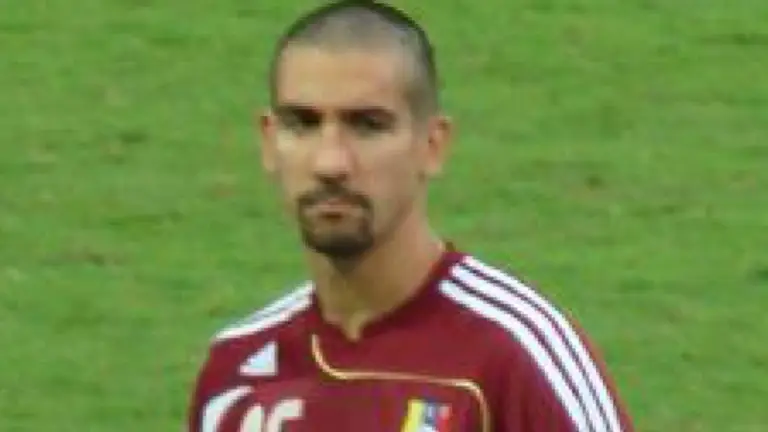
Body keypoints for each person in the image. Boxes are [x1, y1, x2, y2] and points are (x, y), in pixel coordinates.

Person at [187, 1, 634, 431]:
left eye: (367, 125)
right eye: (302, 123)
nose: (330, 162)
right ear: (269, 142)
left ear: (432, 145)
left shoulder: (512, 353)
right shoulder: (236, 373)